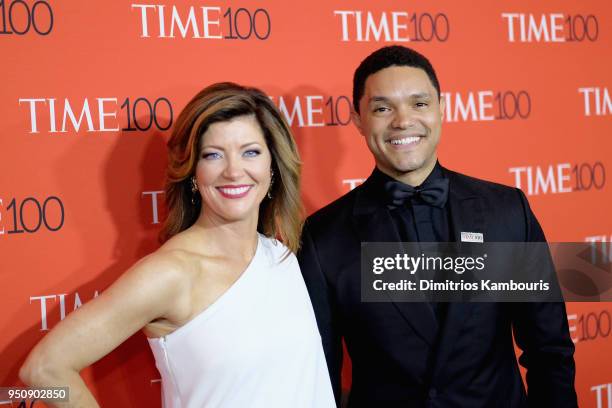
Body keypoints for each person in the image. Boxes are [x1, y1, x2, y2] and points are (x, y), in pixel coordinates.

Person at [20, 82, 336, 408]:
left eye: (250, 152)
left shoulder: (280, 256)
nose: (233, 171)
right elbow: (44, 368)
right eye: (213, 155)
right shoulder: (171, 273)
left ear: (272, 166)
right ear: (193, 173)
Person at [297, 46, 577, 407]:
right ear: (358, 119)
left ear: (441, 109)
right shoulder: (324, 237)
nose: (402, 121)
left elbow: (548, 348)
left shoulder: (505, 212)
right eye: (383, 108)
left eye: (419, 103)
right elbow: (322, 377)